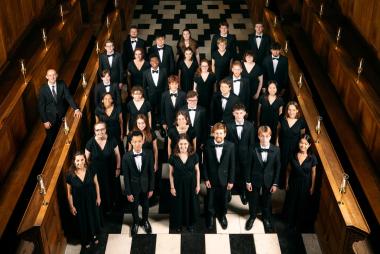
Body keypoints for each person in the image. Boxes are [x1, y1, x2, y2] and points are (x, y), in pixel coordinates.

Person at [245, 126, 280, 232]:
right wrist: (248, 181)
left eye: (267, 136)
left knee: (266, 201)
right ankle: (252, 217)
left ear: (270, 137)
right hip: (255, 178)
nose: (264, 139)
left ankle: (265, 218)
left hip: (269, 180)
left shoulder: (276, 150)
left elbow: (278, 168)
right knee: (253, 200)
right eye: (262, 136)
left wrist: (275, 184)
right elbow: (248, 166)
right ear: (258, 136)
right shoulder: (252, 148)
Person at [38, 69, 82, 148]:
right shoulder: (43, 90)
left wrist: (76, 109)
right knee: (52, 138)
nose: (52, 77)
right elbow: (41, 107)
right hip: (50, 118)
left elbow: (68, 97)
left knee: (64, 134)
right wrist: (45, 121)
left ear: (57, 75)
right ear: (46, 77)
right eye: (50, 75)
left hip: (62, 115)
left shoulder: (62, 84)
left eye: (54, 74)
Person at [66, 151, 101, 250]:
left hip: (91, 199)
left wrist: (98, 197)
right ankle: (85, 240)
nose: (80, 162)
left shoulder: (91, 169)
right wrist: (71, 206)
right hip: (79, 202)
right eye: (77, 160)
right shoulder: (69, 175)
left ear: (85, 160)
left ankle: (93, 236)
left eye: (82, 160)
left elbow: (96, 184)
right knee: (83, 220)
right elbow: (69, 193)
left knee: (92, 217)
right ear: (74, 161)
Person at [122, 130, 155, 236]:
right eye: (135, 142)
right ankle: (135, 222)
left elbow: (151, 173)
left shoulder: (149, 154)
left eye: (139, 141)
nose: (137, 144)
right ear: (131, 142)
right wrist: (128, 192)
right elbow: (126, 176)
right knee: (134, 206)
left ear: (143, 141)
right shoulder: (126, 157)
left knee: (146, 205)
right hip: (133, 187)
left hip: (145, 186)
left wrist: (151, 188)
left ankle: (145, 221)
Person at [203, 122, 235, 230]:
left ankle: (222, 216)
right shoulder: (207, 145)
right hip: (211, 178)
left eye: (221, 133)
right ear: (213, 134)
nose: (218, 136)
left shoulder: (230, 146)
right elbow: (205, 164)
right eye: (216, 133)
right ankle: (210, 215)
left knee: (224, 198)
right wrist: (206, 178)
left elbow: (232, 165)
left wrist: (231, 180)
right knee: (210, 198)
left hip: (225, 178)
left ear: (225, 134)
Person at [85, 122, 121, 215]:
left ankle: (114, 206)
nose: (100, 132)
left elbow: (117, 155)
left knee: (112, 187)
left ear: (105, 130)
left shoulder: (112, 140)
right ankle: (104, 208)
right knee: (101, 189)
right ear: (94, 131)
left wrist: (118, 168)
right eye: (97, 130)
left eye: (102, 129)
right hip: (97, 172)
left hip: (111, 169)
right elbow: (86, 160)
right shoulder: (90, 143)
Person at [283, 134, 317, 231]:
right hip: (294, 182)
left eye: (305, 144)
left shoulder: (312, 158)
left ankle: (298, 225)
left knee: (301, 204)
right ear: (299, 143)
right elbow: (288, 170)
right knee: (291, 202)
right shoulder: (293, 155)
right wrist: (286, 183)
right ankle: (289, 222)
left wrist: (312, 187)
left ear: (309, 145)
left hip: (305, 184)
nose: (303, 145)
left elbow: (314, 173)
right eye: (301, 143)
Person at [169, 134, 200, 232]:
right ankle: (179, 224)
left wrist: (198, 185)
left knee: (191, 203)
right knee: (179, 204)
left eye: (185, 144)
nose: (183, 146)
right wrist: (172, 187)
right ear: (177, 145)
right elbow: (170, 173)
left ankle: (190, 224)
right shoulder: (173, 157)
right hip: (178, 184)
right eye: (181, 144)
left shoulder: (194, 155)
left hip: (191, 184)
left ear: (189, 144)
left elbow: (197, 171)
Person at [226, 104, 255, 205]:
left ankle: (243, 193)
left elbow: (251, 144)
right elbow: (227, 143)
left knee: (244, 173)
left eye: (241, 113)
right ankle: (228, 192)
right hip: (232, 154)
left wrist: (250, 156)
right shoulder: (228, 125)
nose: (239, 115)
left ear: (245, 113)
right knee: (231, 172)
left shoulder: (250, 126)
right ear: (233, 113)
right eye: (237, 113)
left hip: (245, 155)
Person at [277, 101, 306, 187]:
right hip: (283, 145)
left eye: (293, 110)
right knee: (281, 163)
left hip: (294, 147)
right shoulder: (282, 118)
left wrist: (300, 148)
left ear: (297, 111)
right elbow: (278, 131)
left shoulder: (301, 121)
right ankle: (280, 183)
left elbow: (302, 136)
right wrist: (276, 142)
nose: (291, 112)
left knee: (291, 165)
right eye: (289, 110)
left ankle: (289, 184)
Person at [142, 54, 168, 129]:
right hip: (150, 96)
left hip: (162, 95)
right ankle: (152, 127)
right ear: (150, 62)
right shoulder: (145, 73)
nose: (154, 62)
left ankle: (161, 127)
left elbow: (166, 84)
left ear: (158, 61)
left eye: (156, 60)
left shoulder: (164, 71)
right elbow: (144, 86)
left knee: (162, 111)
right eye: (152, 61)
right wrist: (146, 98)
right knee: (151, 112)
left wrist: (165, 95)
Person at [242, 51, 263, 121]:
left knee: (253, 110)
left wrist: (257, 93)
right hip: (243, 92)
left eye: (251, 56)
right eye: (247, 56)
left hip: (254, 92)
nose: (249, 58)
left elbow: (261, 81)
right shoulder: (241, 65)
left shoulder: (258, 67)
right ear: (245, 57)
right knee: (243, 109)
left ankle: (252, 125)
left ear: (253, 57)